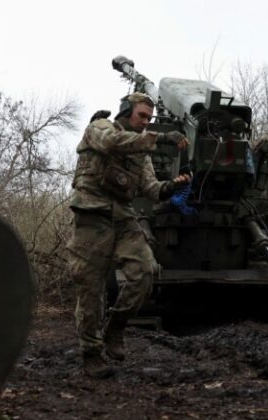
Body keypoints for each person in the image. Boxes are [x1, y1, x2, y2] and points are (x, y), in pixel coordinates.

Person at [66, 92, 191, 378]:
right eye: (141, 116)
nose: (145, 123)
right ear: (125, 112)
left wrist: (173, 186)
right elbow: (112, 144)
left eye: (149, 118)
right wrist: (159, 138)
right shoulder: (101, 128)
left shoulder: (141, 152)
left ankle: (116, 327)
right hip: (92, 215)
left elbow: (151, 189)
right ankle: (91, 353)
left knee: (144, 271)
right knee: (90, 287)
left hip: (122, 218)